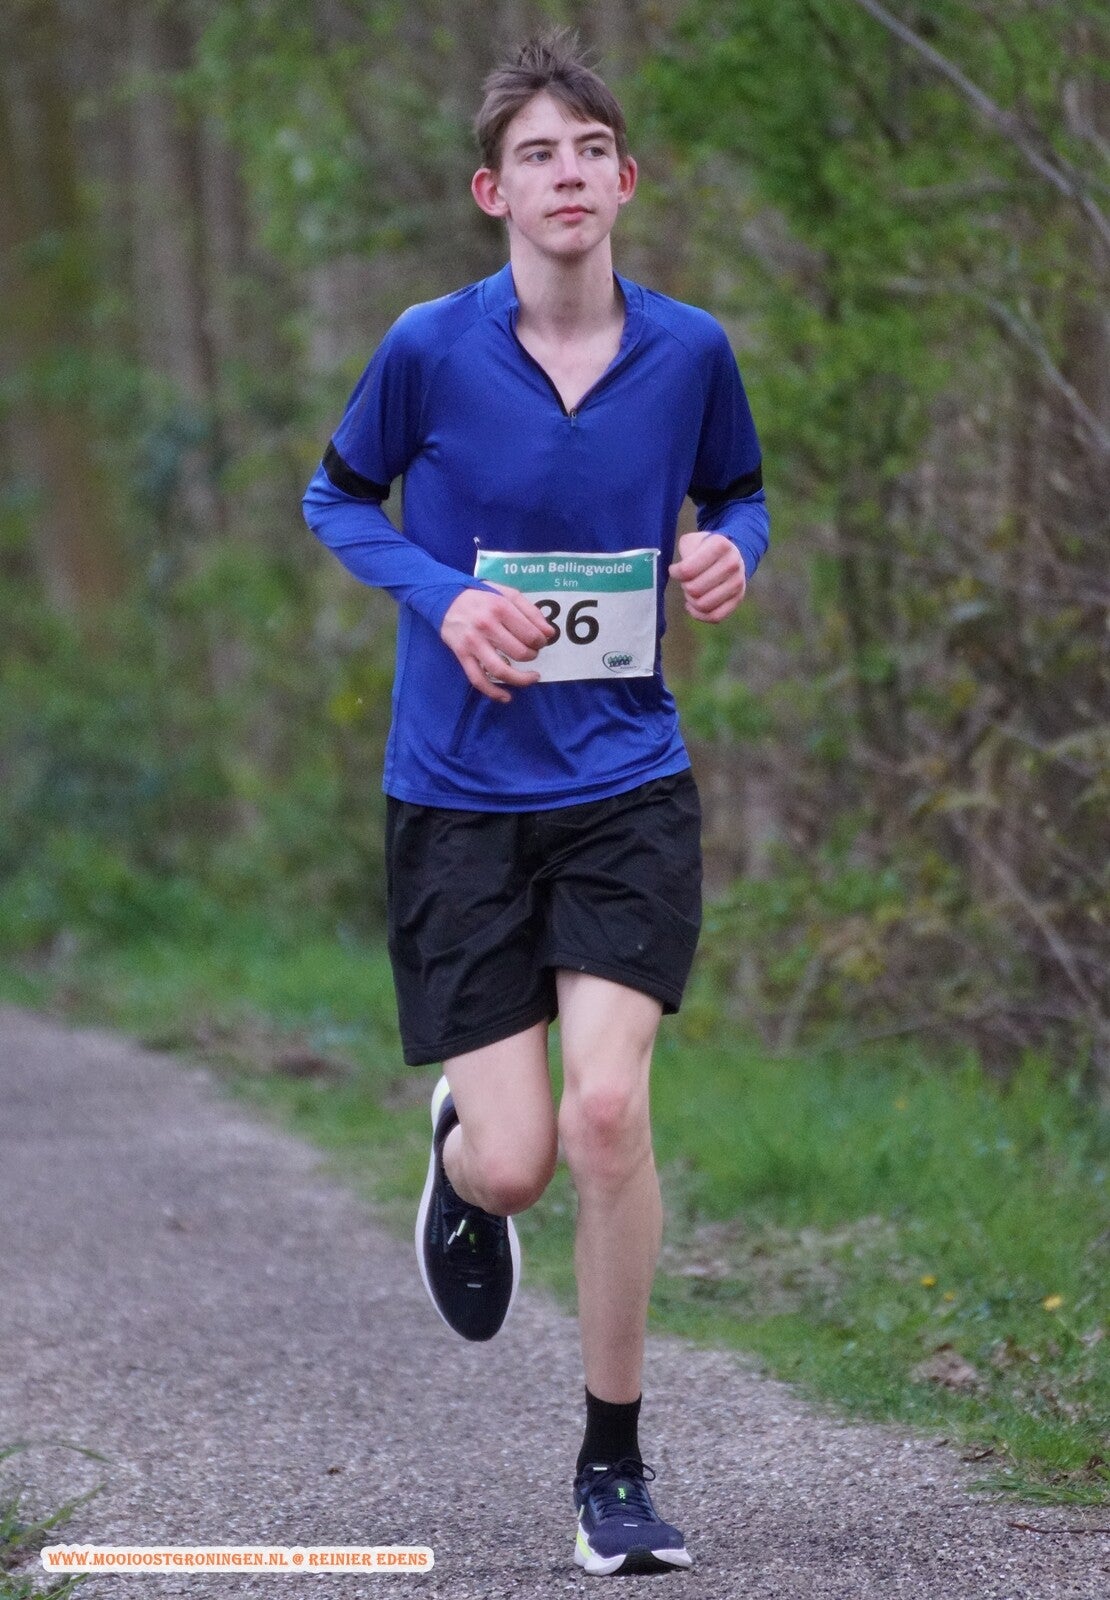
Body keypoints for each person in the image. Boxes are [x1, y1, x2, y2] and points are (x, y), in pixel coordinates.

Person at [302, 28, 768, 1578]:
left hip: (624, 781)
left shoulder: (688, 353)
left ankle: (611, 1465)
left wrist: (731, 551)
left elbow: (739, 492)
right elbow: (333, 495)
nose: (566, 176)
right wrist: (440, 596)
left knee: (607, 1113)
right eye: (535, 156)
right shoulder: (428, 349)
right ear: (490, 193)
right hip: (456, 795)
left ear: (626, 181)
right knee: (518, 1163)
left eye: (590, 152)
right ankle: (459, 1160)